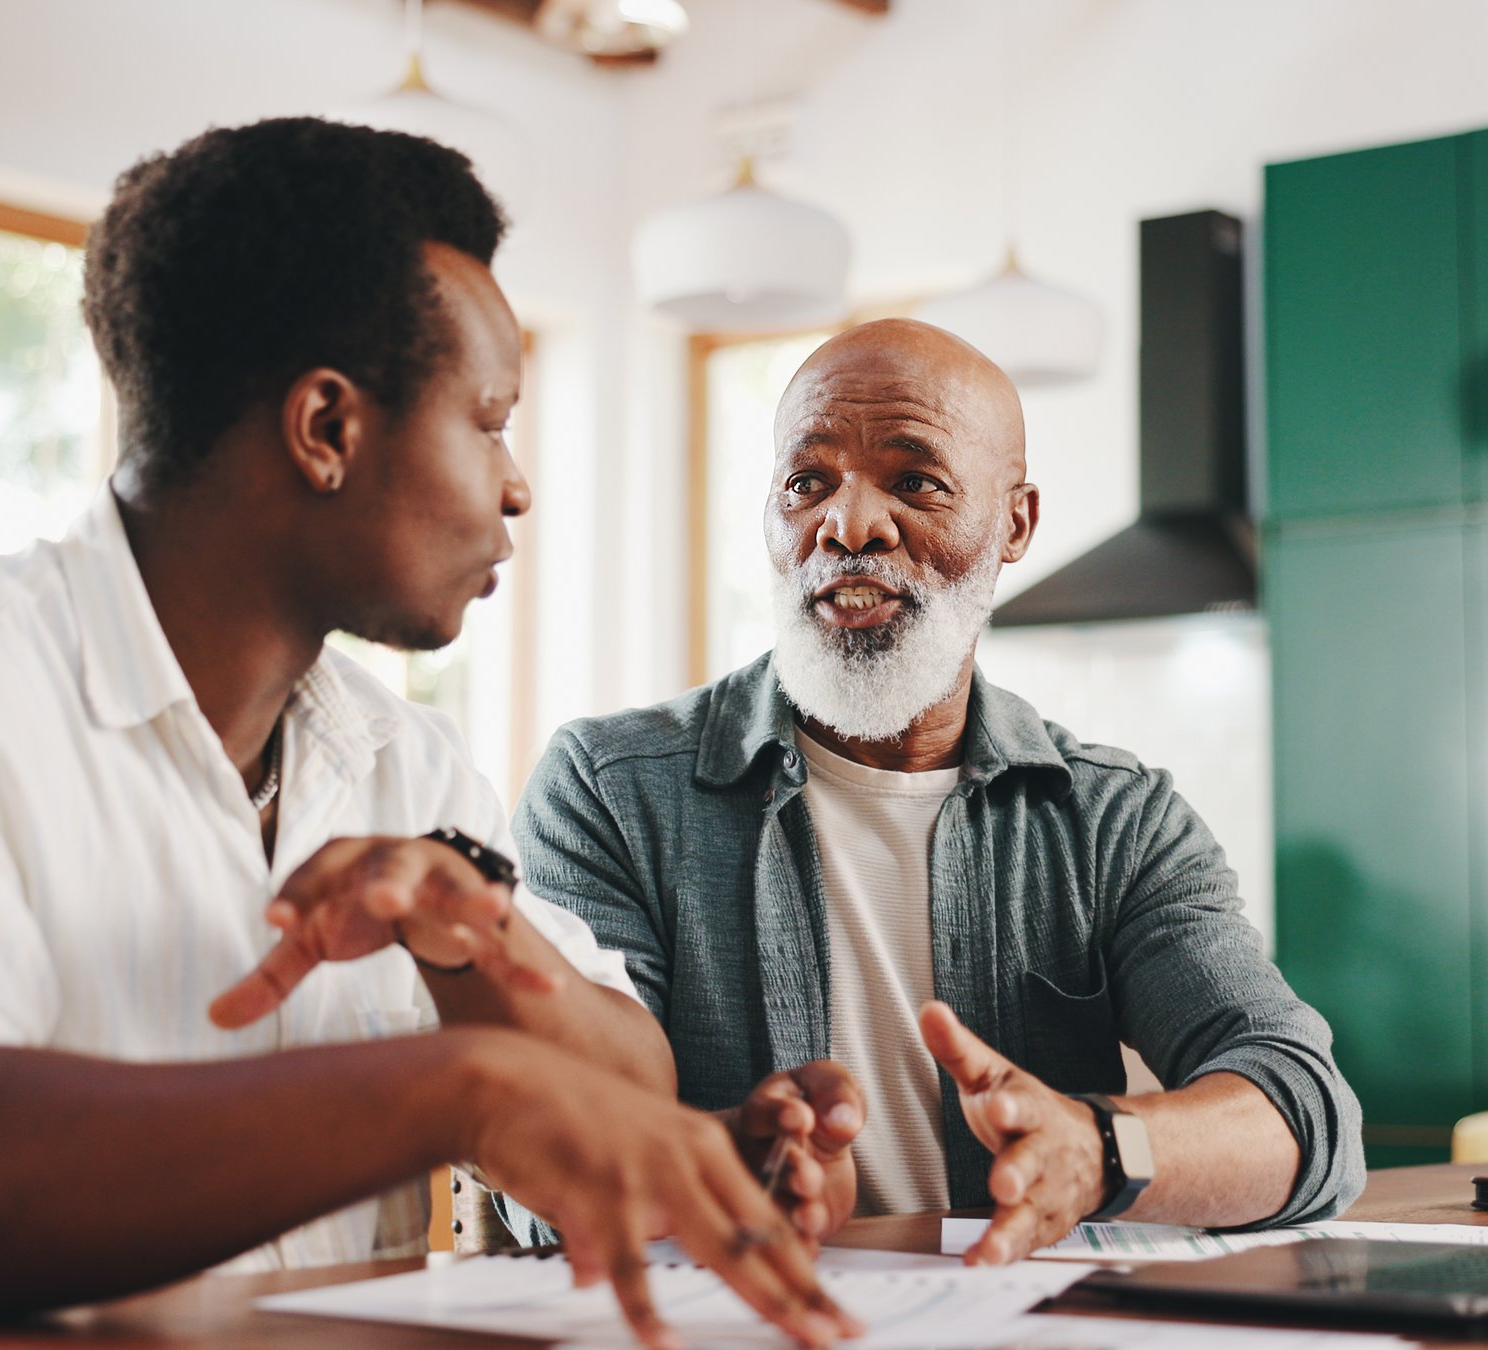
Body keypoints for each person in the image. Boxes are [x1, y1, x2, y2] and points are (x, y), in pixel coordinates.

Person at [0, 117, 851, 1350]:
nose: (516, 485)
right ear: (326, 430)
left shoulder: (408, 765)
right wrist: (450, 1091)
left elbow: (617, 1088)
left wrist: (593, 1075)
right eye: (489, 420)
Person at [511, 319, 1366, 1265]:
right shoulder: (609, 791)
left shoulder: (1115, 820)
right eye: (807, 483)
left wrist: (1096, 1149)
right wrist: (733, 1172)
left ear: (1015, 525)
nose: (849, 525)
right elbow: (553, 1161)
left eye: (914, 481)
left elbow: (1302, 1110)